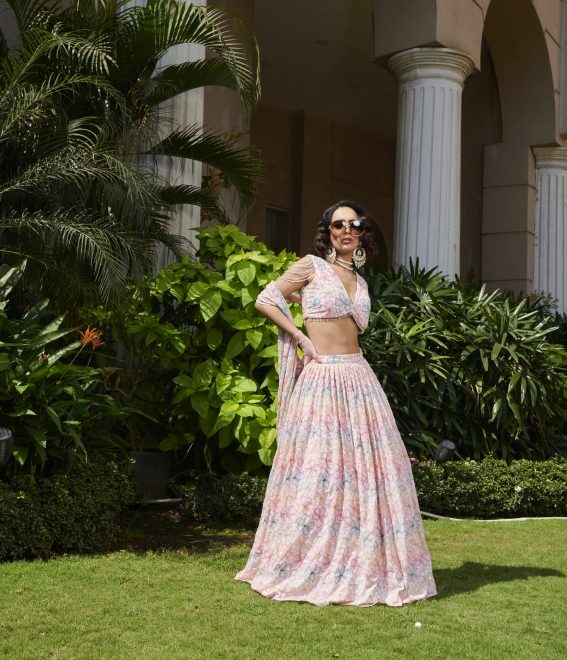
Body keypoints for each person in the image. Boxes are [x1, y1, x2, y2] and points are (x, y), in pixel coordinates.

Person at [235, 200, 437, 607]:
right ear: (326, 231)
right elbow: (266, 298)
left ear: (363, 234)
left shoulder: (360, 280)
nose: (347, 230)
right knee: (320, 471)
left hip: (359, 378)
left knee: (370, 473)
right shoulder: (311, 266)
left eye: (355, 225)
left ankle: (364, 564)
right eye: (338, 224)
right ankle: (308, 560)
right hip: (323, 378)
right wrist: (301, 337)